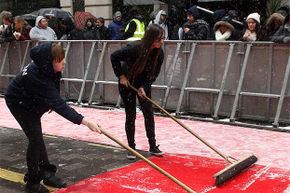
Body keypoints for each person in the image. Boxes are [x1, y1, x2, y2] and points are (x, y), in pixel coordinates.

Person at [4, 43, 102, 193]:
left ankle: (46, 172)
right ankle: (32, 182)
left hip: (31, 98)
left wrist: (49, 100)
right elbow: (60, 105)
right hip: (19, 103)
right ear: (50, 62)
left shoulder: (47, 68)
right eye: (60, 60)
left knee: (37, 138)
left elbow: (53, 89)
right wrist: (86, 121)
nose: (64, 63)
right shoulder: (36, 76)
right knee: (35, 140)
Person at [111, 24, 165, 160]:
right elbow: (114, 56)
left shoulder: (159, 54)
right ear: (151, 39)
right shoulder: (134, 48)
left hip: (142, 84)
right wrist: (121, 76)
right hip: (127, 83)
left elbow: (154, 74)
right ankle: (131, 147)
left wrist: (144, 86)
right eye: (159, 39)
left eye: (162, 38)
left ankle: (152, 145)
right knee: (131, 114)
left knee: (148, 113)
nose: (161, 42)